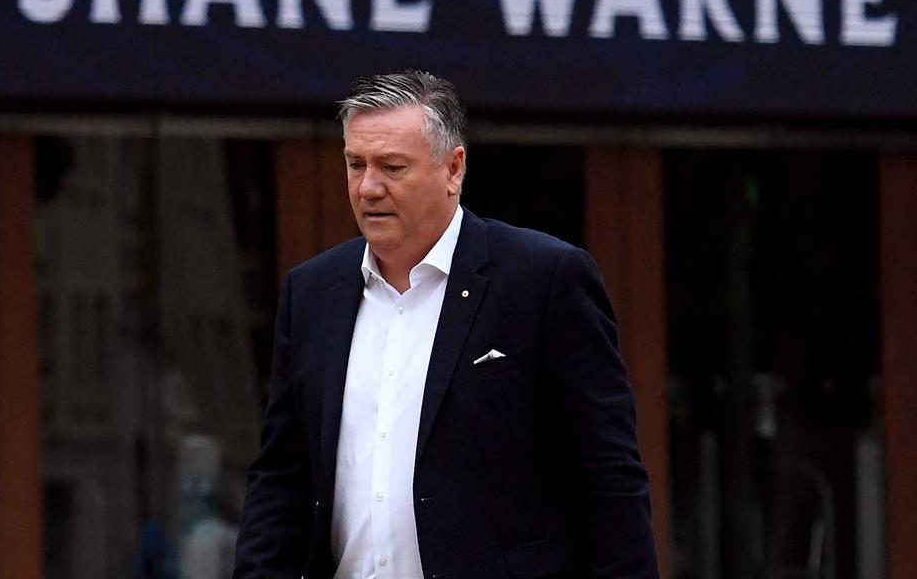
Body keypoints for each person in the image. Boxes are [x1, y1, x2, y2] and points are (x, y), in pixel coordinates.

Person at [233, 71, 658, 579]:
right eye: (355, 164)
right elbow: (283, 475)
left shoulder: (542, 280)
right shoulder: (312, 292)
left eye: (392, 166)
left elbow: (608, 479)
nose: (368, 187)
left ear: (453, 168)